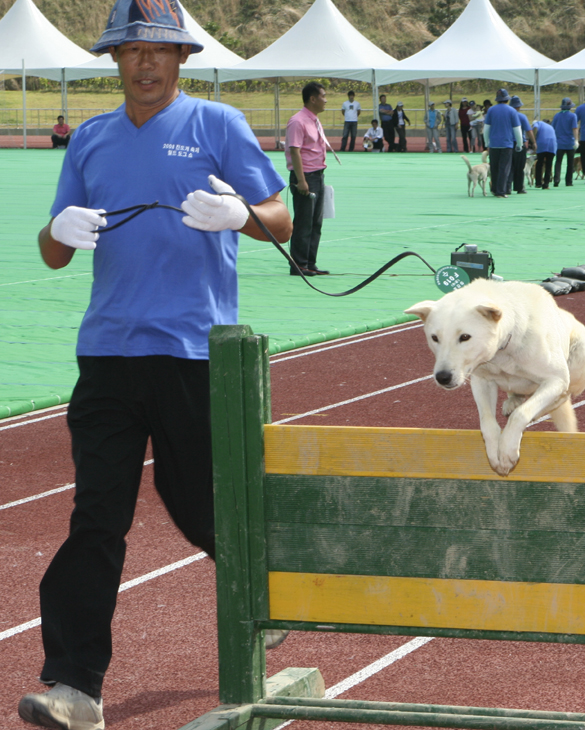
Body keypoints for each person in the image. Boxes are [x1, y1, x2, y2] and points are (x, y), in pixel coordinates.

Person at [16, 3, 292, 729]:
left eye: (159, 51)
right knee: (95, 520)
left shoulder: (218, 126)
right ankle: (75, 688)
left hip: (195, 356)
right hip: (107, 354)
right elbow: (50, 249)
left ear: (181, 59)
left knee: (205, 510)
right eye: (132, 50)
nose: (145, 63)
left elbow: (281, 218)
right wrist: (58, 231)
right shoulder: (91, 138)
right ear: (113, 59)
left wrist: (241, 215)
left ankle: (269, 597)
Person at [286, 81, 332, 276]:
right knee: (304, 222)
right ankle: (299, 264)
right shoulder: (298, 121)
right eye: (323, 96)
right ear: (312, 99)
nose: (326, 100)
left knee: (316, 222)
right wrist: (301, 180)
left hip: (318, 175)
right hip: (306, 176)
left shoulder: (313, 119)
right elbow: (295, 151)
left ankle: (310, 263)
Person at [483, 88, 522, 198]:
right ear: (507, 99)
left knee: (494, 168)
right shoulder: (512, 111)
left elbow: (486, 128)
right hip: (507, 144)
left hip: (494, 144)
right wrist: (519, 144)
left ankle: (495, 189)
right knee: (504, 168)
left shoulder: (491, 110)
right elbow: (517, 129)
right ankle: (501, 191)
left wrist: (487, 142)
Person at [552, 97, 579, 188]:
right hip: (570, 142)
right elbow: (574, 129)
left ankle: (556, 179)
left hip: (559, 142)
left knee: (558, 161)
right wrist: (576, 140)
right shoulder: (573, 116)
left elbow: (553, 128)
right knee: (570, 162)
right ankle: (569, 181)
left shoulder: (557, 115)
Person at [510, 96, 534, 194]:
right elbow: (529, 131)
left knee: (509, 166)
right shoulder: (522, 116)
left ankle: (507, 187)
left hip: (508, 144)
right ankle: (519, 187)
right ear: (519, 106)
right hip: (520, 143)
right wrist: (534, 142)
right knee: (520, 167)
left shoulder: (507, 116)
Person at [532, 117, 556, 189]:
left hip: (542, 144)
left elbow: (535, 128)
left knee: (539, 164)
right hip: (552, 145)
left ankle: (538, 183)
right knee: (549, 165)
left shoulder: (537, 123)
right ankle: (546, 184)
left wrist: (534, 138)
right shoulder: (551, 126)